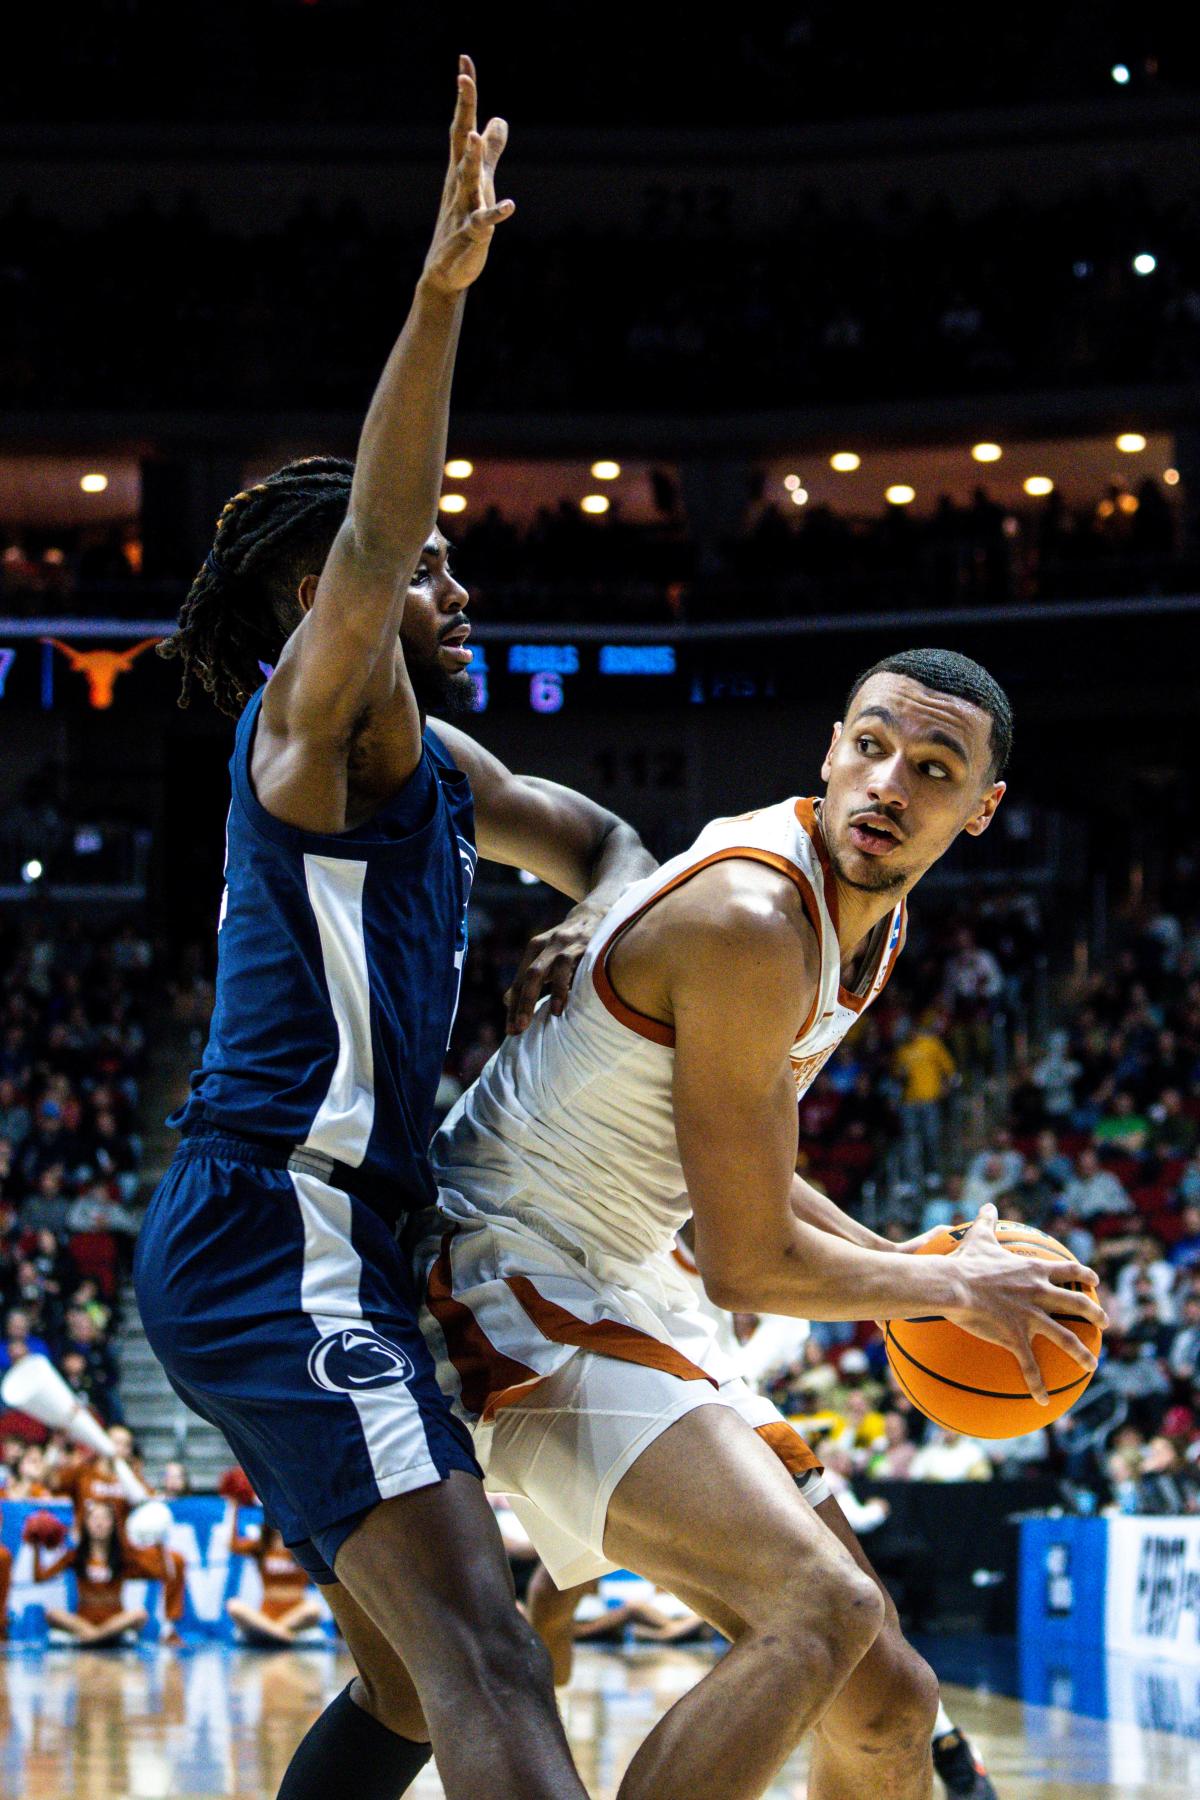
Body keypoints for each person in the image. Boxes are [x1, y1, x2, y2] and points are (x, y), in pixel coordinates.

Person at [134, 56, 647, 1800]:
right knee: (495, 1655)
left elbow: (595, 839)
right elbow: (368, 525)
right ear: (321, 607)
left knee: (427, 1686)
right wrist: (437, 302)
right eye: (432, 569)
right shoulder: (310, 719)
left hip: (329, 1235)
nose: (457, 583)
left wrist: (628, 939)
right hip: (279, 1218)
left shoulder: (438, 765)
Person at [413, 648, 1104, 1800]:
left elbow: (750, 1168)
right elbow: (745, 1262)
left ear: (980, 810)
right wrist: (950, 1287)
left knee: (890, 1696)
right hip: (505, 1266)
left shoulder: (863, 921)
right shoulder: (751, 917)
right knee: (819, 1607)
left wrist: (908, 1260)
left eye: (933, 768)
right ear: (831, 746)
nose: (890, 783)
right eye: (872, 746)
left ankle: (564, 1593)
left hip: (624, 1266)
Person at [29, 1497, 171, 1646]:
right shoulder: (75, 1555)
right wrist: (36, 1548)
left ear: (113, 1524)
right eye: (95, 1518)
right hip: (83, 1622)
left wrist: (158, 1544)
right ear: (86, 1524)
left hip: (113, 1622)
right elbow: (40, 1578)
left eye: (105, 1518)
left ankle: (91, 1638)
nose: (99, 1523)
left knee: (139, 1615)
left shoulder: (124, 1555)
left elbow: (160, 1574)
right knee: (52, 1614)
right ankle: (98, 1636)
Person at [225, 1498, 325, 1646]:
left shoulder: (304, 1546)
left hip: (296, 1617)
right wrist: (234, 1506)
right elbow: (233, 1545)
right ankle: (282, 1635)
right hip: (266, 1615)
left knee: (314, 1609)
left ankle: (272, 1634)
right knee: (233, 1606)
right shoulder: (261, 1547)